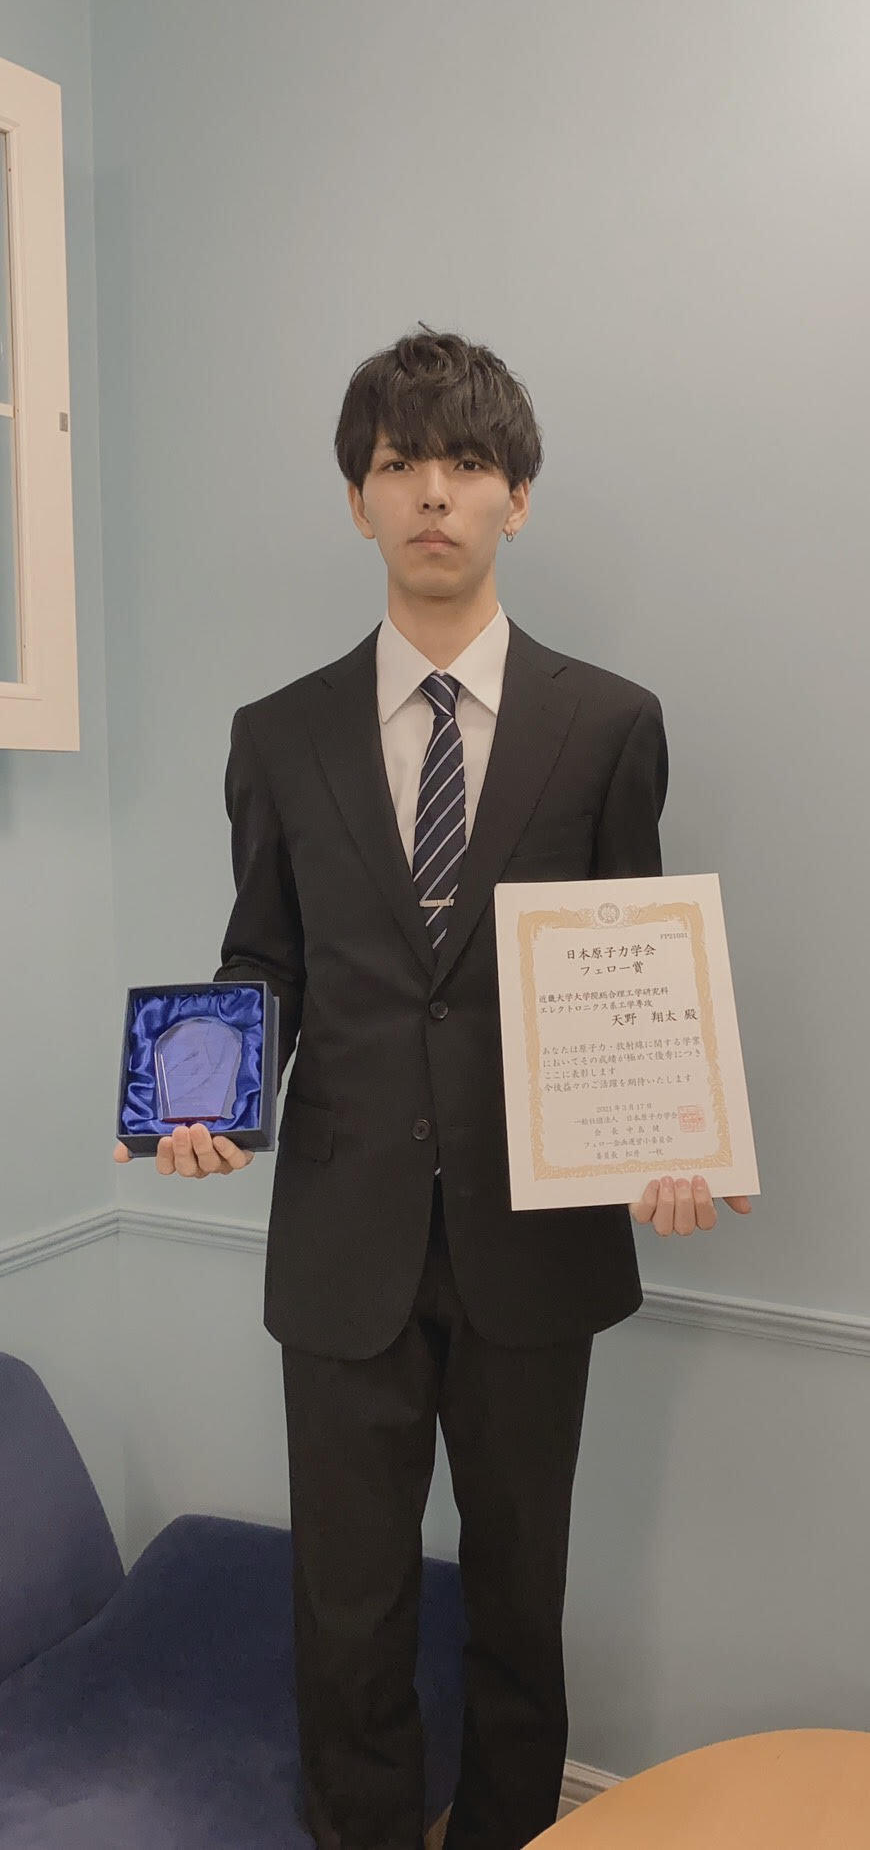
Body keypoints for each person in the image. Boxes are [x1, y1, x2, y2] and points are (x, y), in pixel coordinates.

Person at [115, 323, 751, 1850]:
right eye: (400, 465)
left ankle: (512, 1829)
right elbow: (261, 956)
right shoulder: (278, 734)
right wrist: (208, 1097)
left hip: (538, 1237)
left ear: (516, 496)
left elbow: (630, 957)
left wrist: (669, 1139)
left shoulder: (608, 724)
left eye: (466, 464)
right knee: (346, 1604)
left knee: (521, 1595)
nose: (433, 494)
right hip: (345, 1240)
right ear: (359, 500)